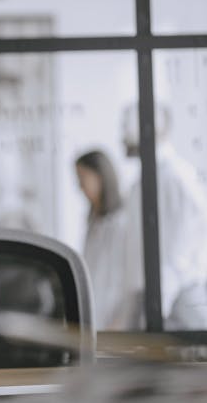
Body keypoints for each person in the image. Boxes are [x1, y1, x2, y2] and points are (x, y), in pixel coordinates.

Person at [122, 103, 207, 328]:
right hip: (156, 301)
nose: (122, 137)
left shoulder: (175, 178)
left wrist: (157, 307)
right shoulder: (144, 181)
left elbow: (182, 248)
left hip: (175, 301)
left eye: (126, 128)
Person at [75, 150, 141, 330]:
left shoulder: (123, 223)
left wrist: (120, 322)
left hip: (115, 324)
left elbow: (131, 281)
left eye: (83, 178)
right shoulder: (92, 222)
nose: (79, 186)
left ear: (100, 177)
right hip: (95, 322)